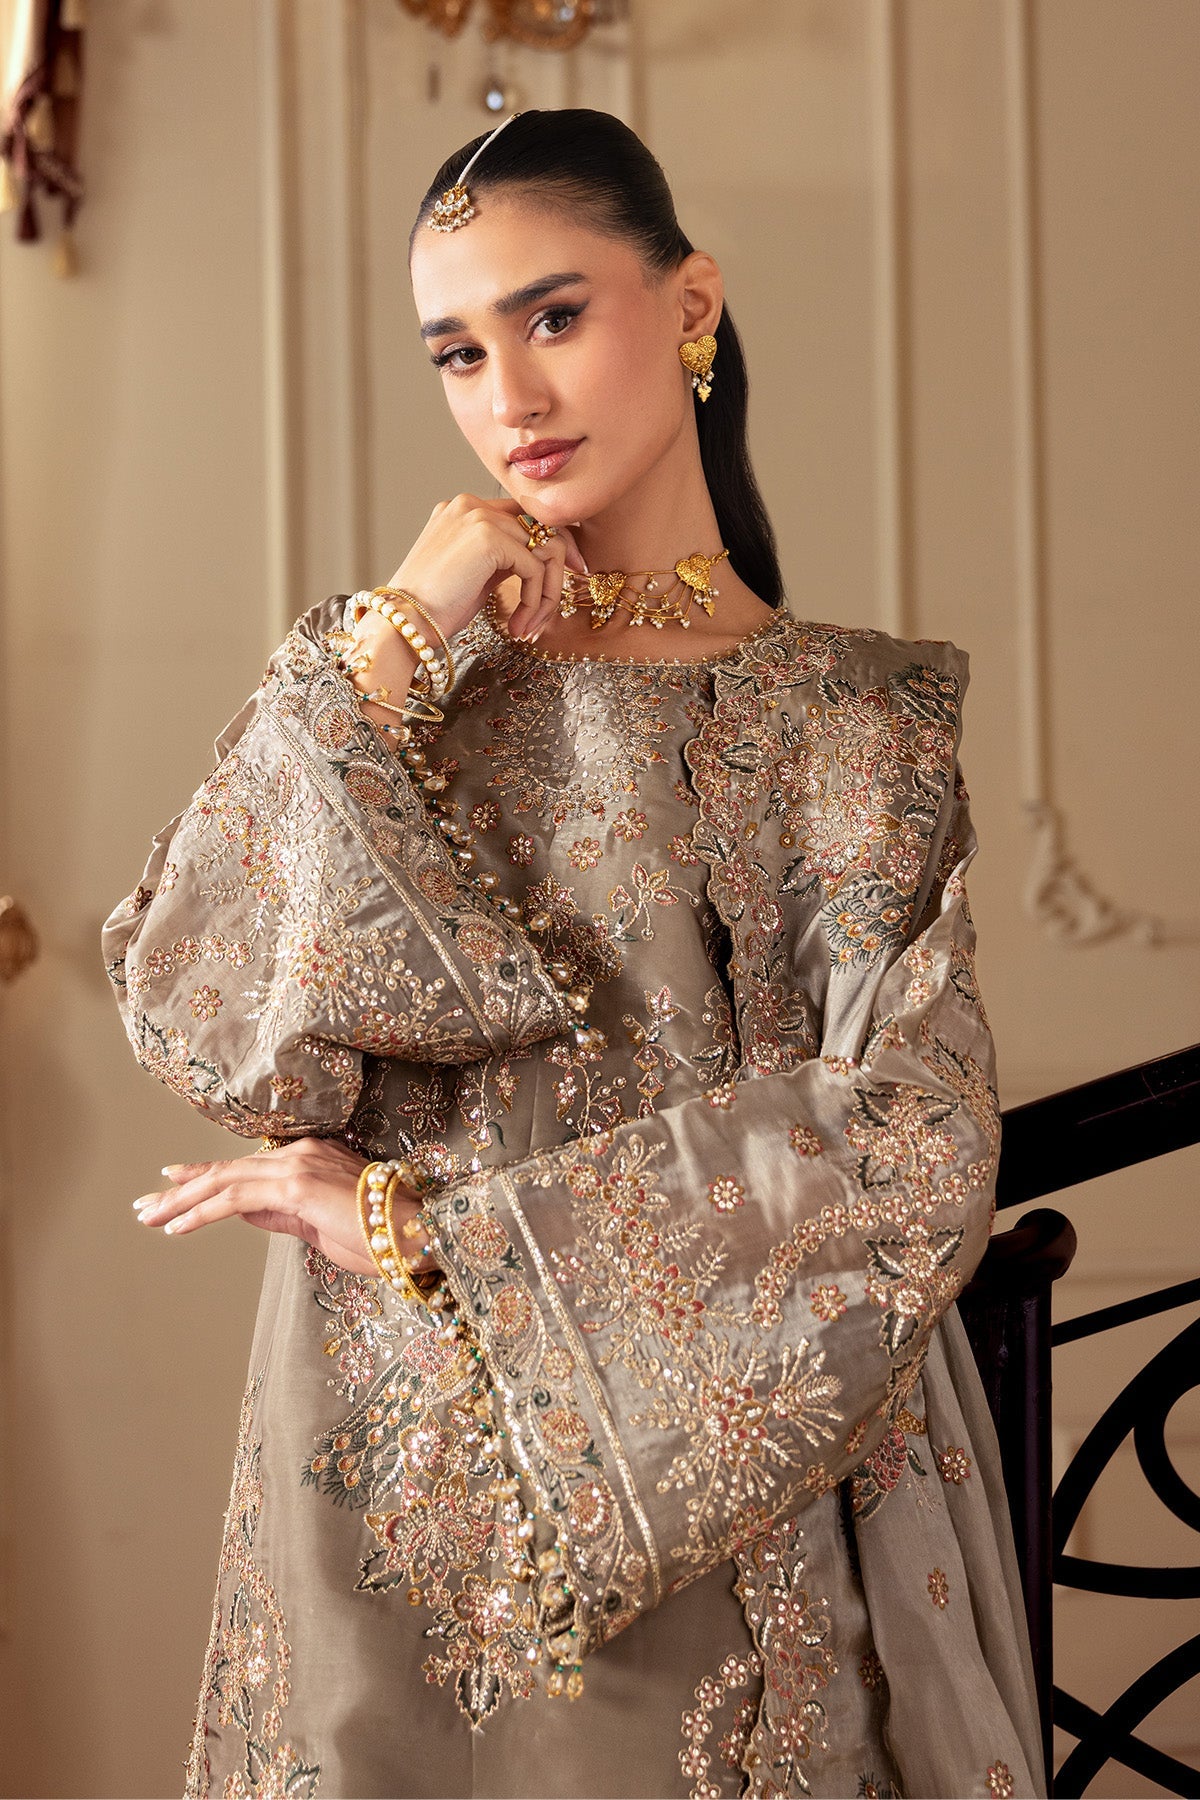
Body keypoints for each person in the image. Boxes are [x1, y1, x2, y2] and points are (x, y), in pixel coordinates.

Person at [104, 108, 1044, 1800]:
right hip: (385, 1462)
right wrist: (399, 624)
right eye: (459, 352)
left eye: (552, 316)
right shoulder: (389, 703)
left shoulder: (857, 718)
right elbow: (210, 1016)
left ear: (691, 304)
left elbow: (916, 1142)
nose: (511, 398)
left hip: (734, 1479)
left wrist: (422, 1231)